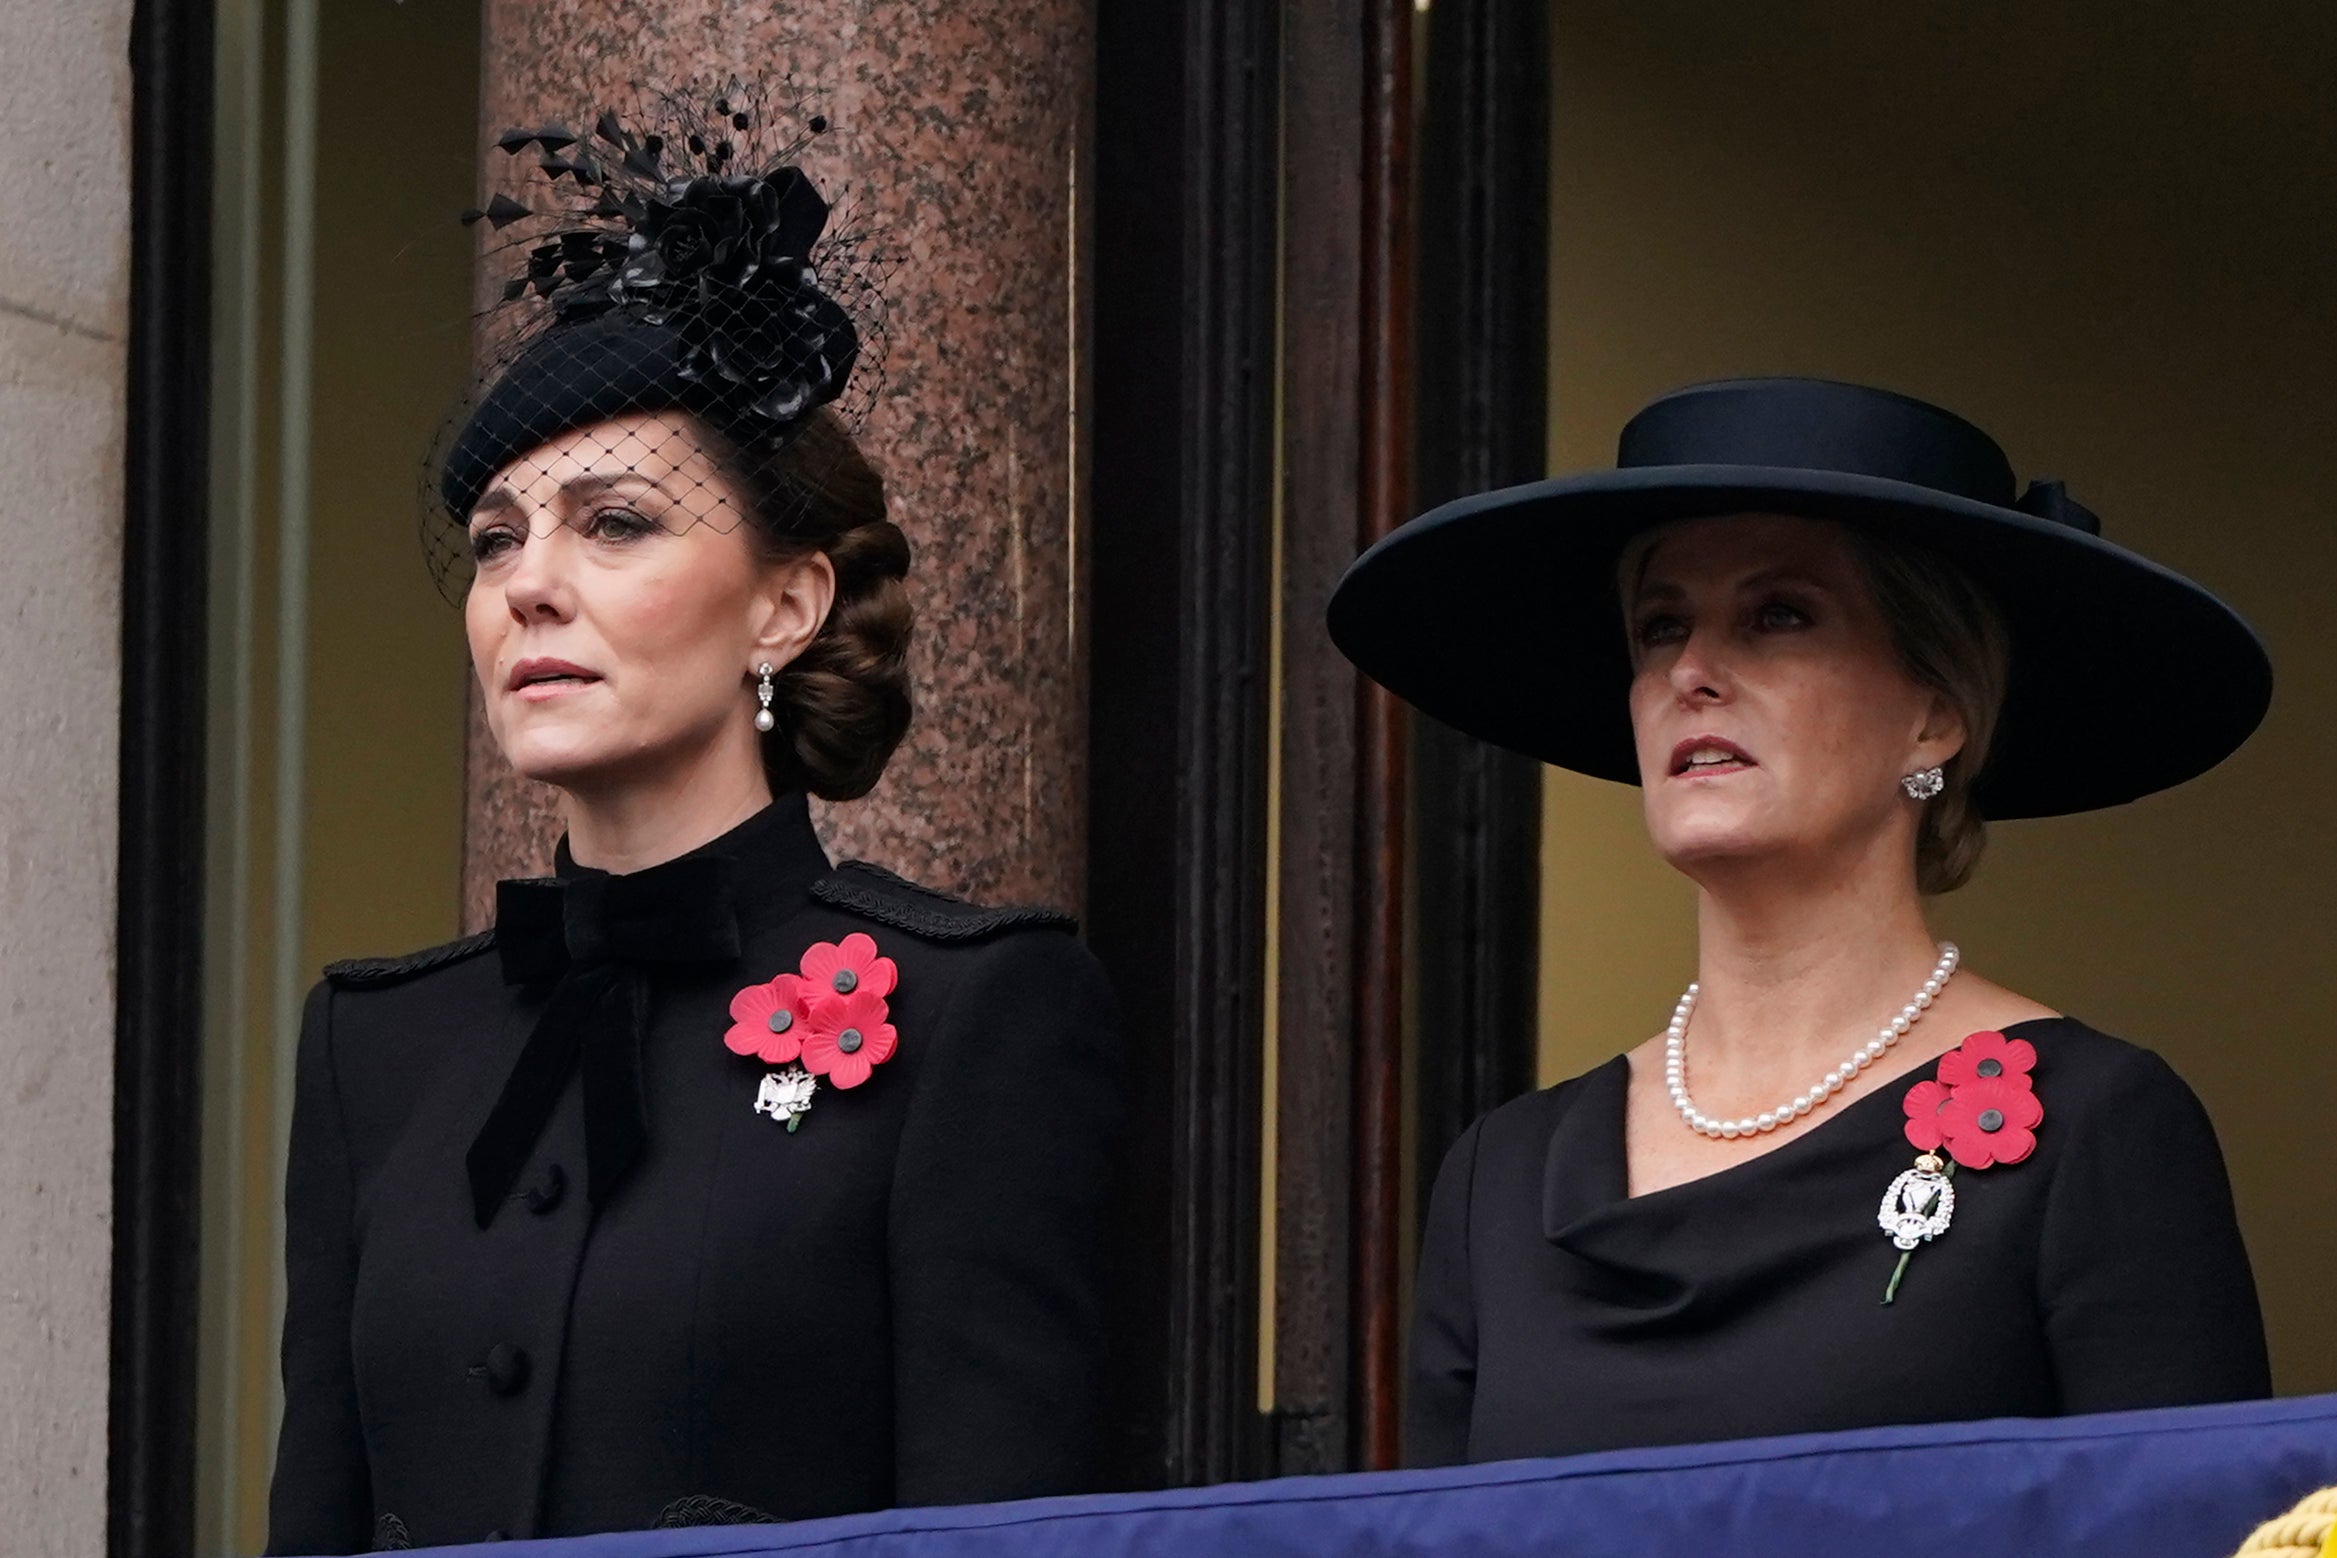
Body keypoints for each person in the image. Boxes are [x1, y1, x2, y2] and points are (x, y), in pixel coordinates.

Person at [267, 93, 1122, 1553]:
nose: (530, 582)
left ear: (783, 606)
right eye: (495, 540)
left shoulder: (974, 1010)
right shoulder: (375, 1047)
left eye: (615, 522)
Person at [1327, 377, 2273, 1465]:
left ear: (1936, 714)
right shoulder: (1502, 1174)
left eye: (1778, 615)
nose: (1690, 671)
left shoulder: (2097, 1127)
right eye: (1659, 624)